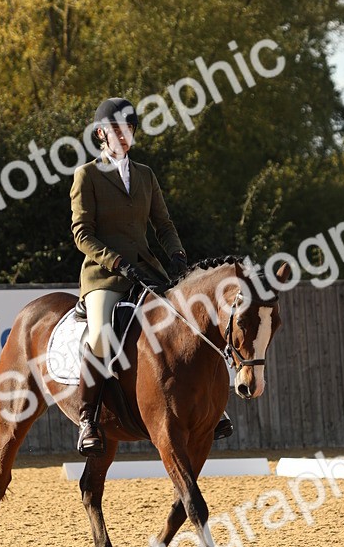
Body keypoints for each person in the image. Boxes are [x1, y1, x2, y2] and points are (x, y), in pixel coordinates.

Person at [70, 96, 231, 455]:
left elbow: (164, 223)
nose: (123, 135)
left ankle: (211, 408)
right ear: (101, 134)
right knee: (99, 333)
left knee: (189, 322)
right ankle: (87, 418)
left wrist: (176, 256)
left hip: (147, 270)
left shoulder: (145, 175)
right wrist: (115, 262)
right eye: (116, 130)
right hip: (104, 275)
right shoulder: (88, 176)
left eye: (128, 129)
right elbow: (82, 233)